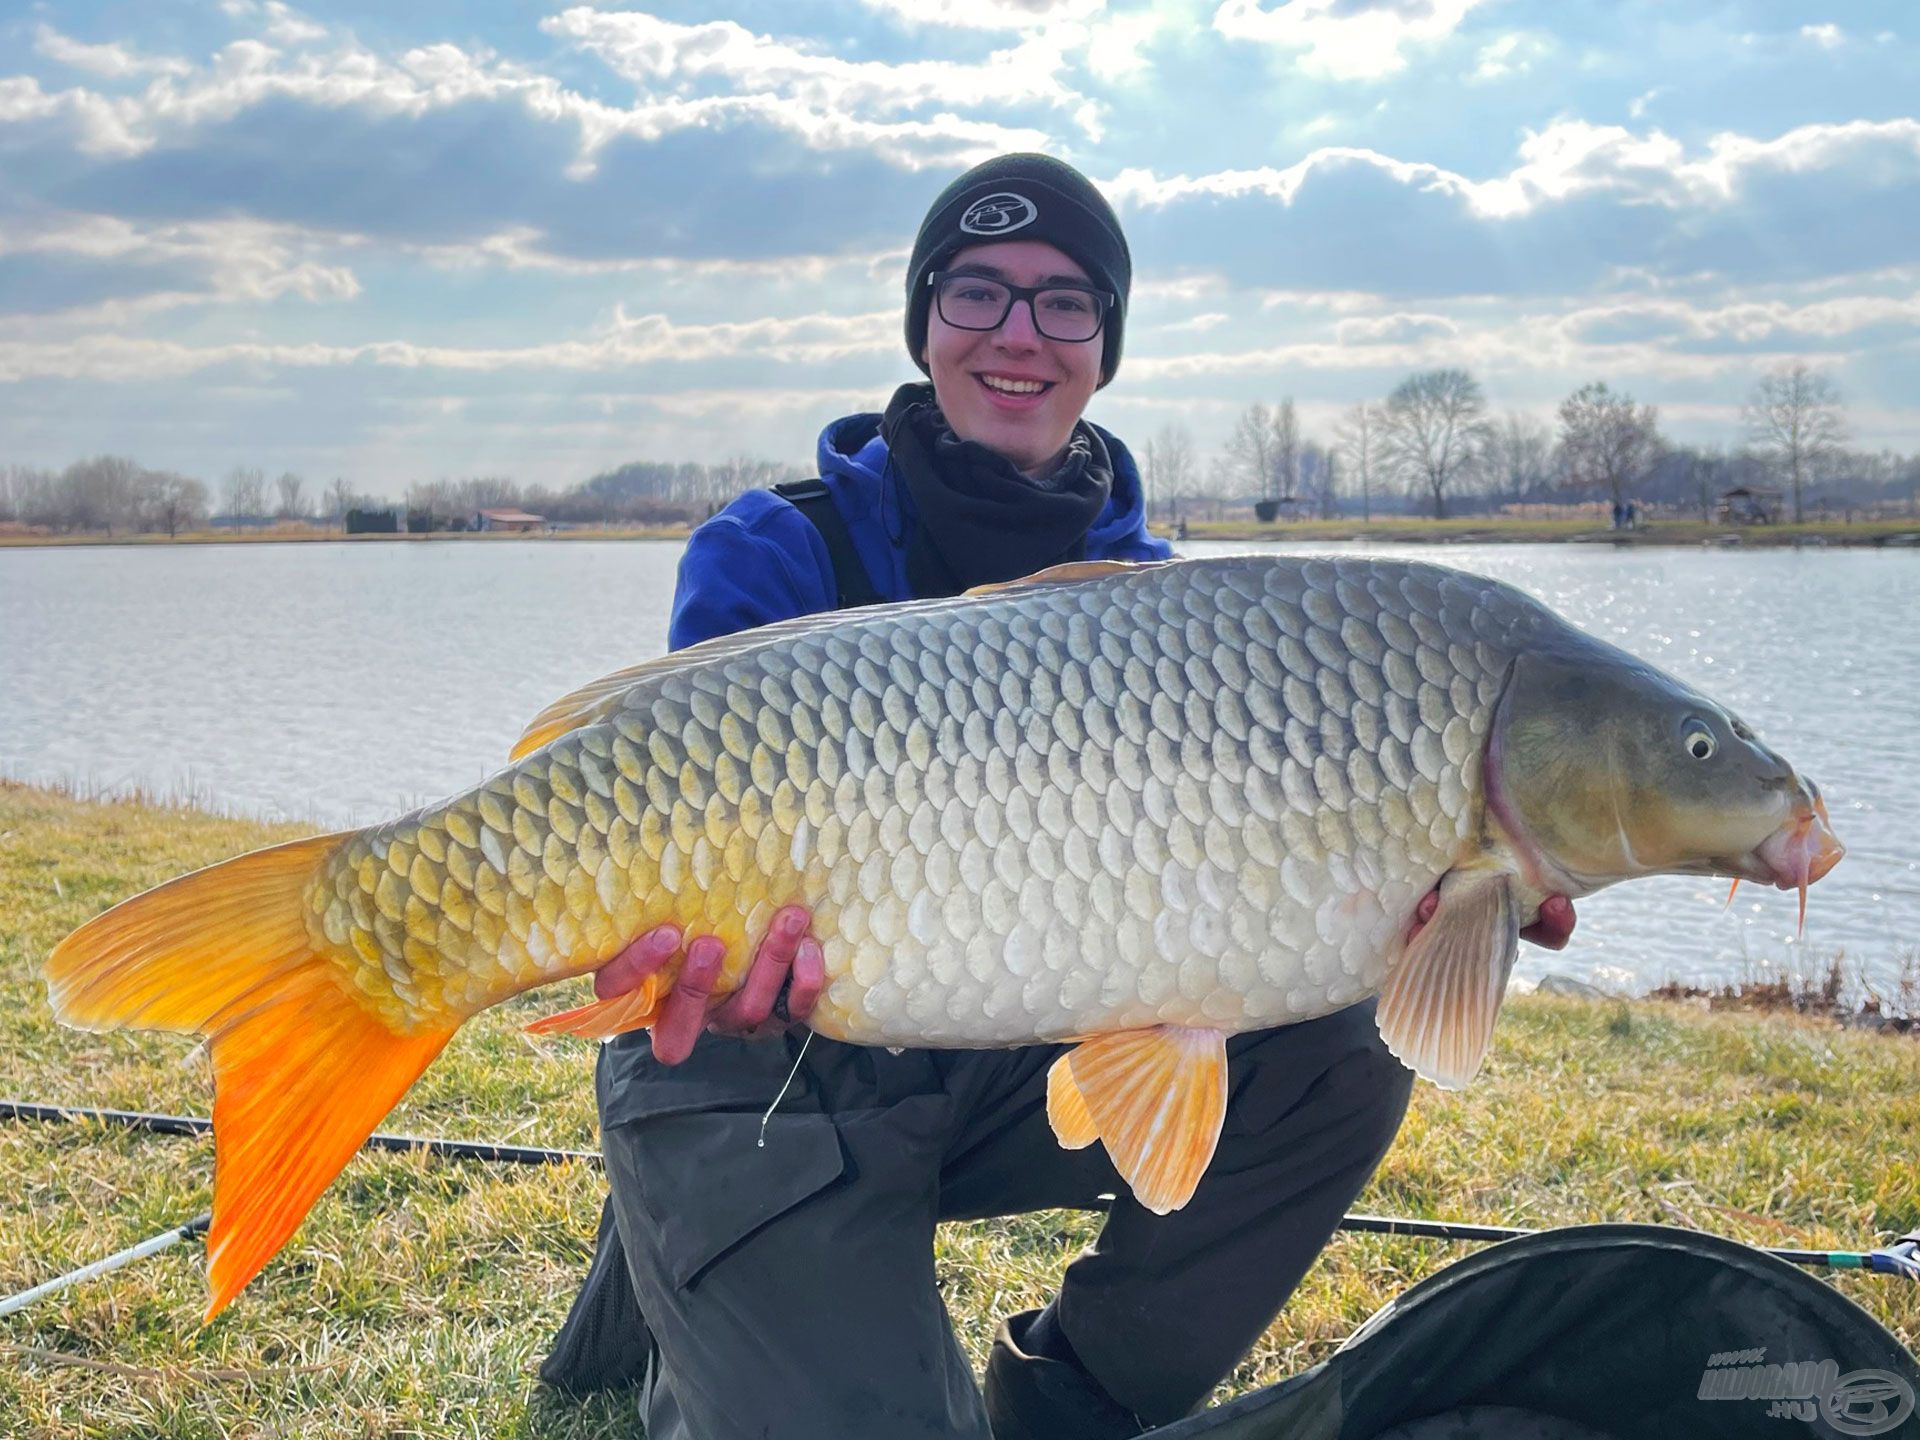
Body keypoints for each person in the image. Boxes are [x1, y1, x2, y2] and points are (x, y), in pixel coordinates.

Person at [542, 153, 1576, 1438]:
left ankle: (1073, 1403)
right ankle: (703, 1267)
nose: (1018, 335)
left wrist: (1417, 905)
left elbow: (1246, 885)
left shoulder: (1184, 615)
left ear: (1106, 345)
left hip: (1003, 1053)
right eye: (976, 293)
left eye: (1064, 303)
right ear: (924, 324)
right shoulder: (779, 547)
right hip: (771, 1062)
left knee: (1345, 1038)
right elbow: (680, 836)